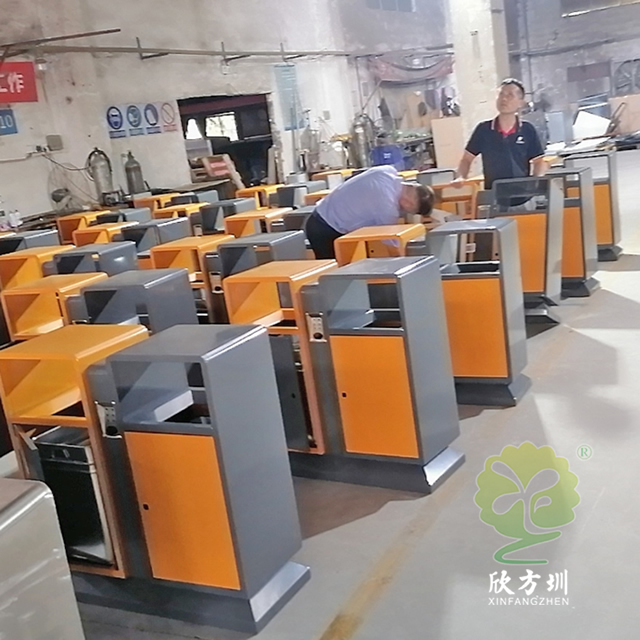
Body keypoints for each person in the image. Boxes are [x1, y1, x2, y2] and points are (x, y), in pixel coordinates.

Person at [305, 165, 435, 260]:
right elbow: (393, 246)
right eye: (410, 211)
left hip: (322, 214)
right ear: (408, 204)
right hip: (324, 230)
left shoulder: (387, 171)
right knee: (335, 279)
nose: (405, 212)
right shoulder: (387, 208)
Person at [454, 78, 547, 191]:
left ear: (520, 102)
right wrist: (460, 177)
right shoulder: (483, 130)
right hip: (493, 194)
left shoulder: (527, 129)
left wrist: (537, 181)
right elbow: (467, 159)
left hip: (522, 194)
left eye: (510, 95)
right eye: (501, 94)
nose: (504, 98)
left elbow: (539, 161)